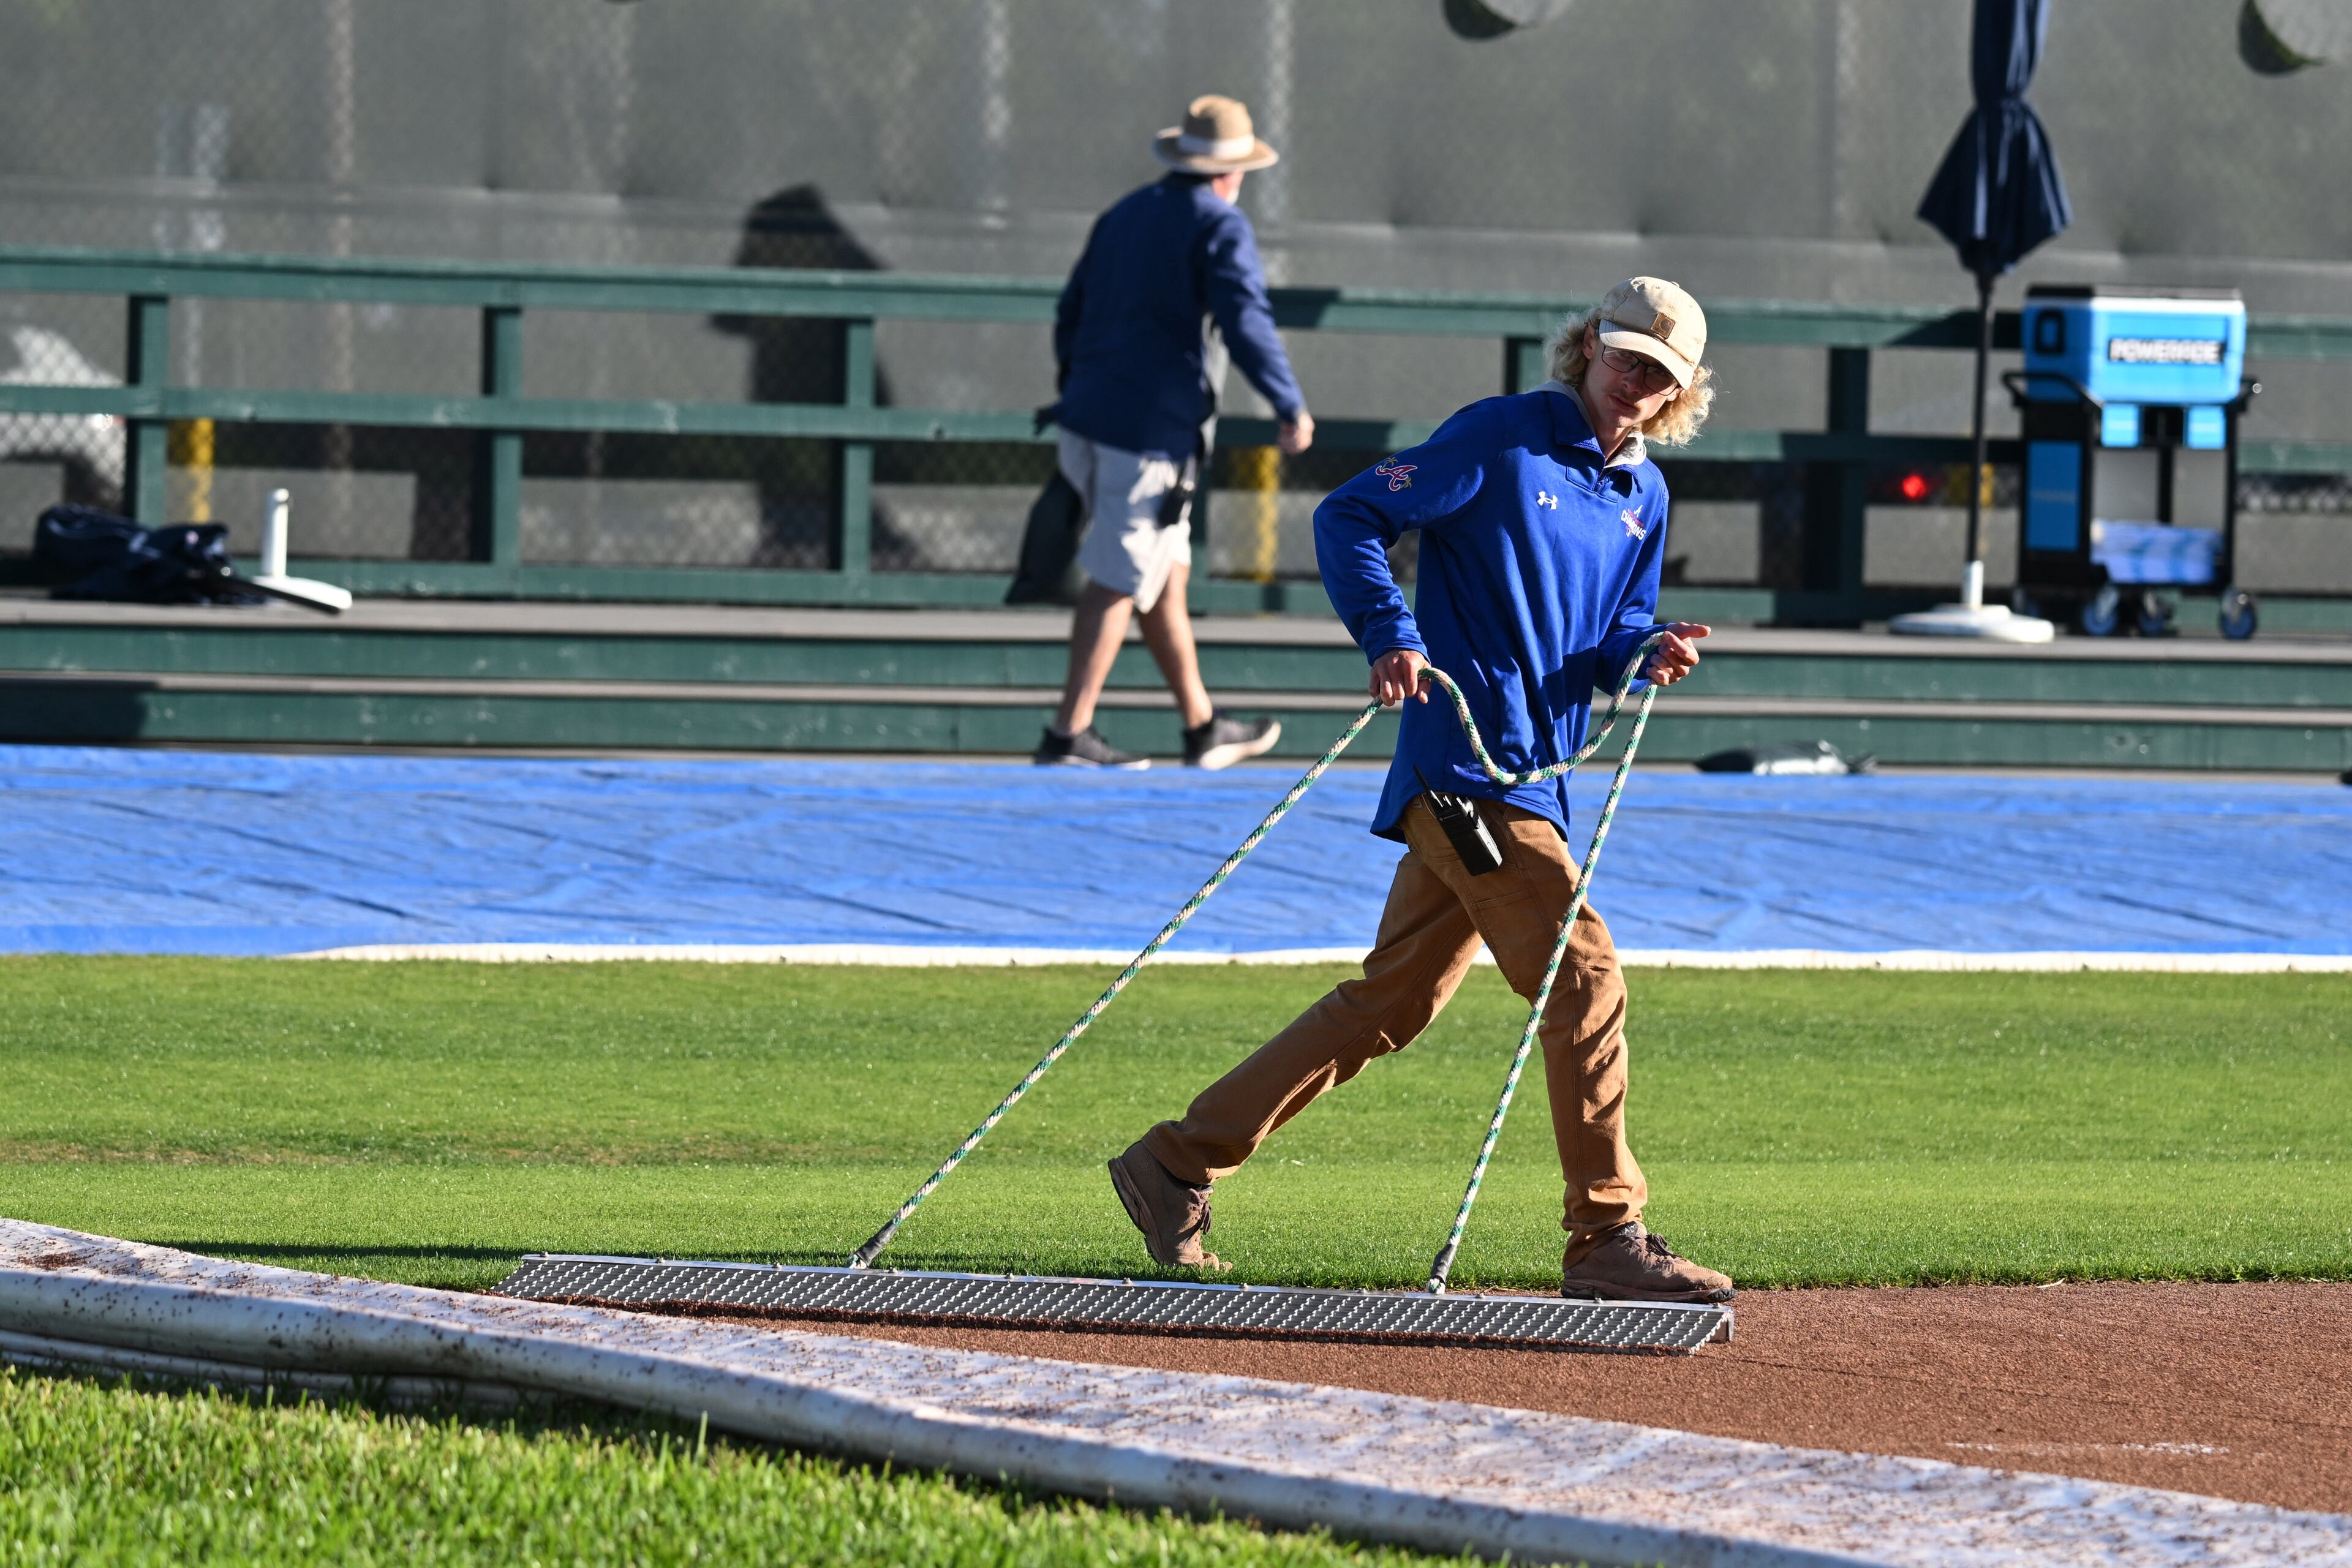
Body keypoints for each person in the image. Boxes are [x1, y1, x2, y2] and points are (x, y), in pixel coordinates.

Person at [1107, 278, 1735, 1304]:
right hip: (1464, 776)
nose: (1637, 384)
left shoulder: (1645, 497)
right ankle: (1608, 1235)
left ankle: (1176, 1163)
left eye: (1660, 377)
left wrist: (1645, 650)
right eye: (1626, 359)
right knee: (1586, 978)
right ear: (1587, 350)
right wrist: (1392, 634)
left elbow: (1614, 628)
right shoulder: (1499, 438)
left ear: (1680, 394)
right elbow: (1350, 514)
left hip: (1539, 778)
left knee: (1391, 1005)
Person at [1036, 94, 1315, 771]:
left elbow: (1070, 312)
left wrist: (1081, 388)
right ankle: (1068, 734)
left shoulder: (1126, 213)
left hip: (1090, 418)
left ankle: (1202, 726)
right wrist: (1290, 404)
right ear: (1233, 172)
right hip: (1150, 436)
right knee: (1118, 576)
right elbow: (1245, 320)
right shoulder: (1219, 224)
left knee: (1162, 573)